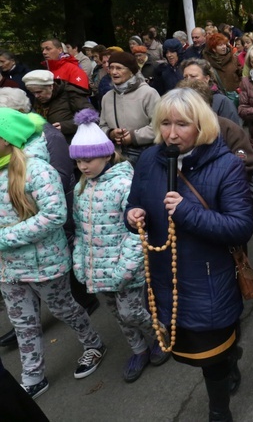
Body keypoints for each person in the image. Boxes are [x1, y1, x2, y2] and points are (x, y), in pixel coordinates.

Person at [125, 89, 253, 422]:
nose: (170, 133)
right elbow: (134, 201)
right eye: (165, 123)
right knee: (193, 350)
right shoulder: (150, 159)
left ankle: (219, 410)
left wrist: (187, 213)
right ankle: (230, 359)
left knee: (213, 359)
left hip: (209, 278)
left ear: (201, 125)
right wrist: (133, 215)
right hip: (165, 277)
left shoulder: (226, 165)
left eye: (182, 124)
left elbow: (240, 227)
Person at [0, 108, 106, 399]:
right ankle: (33, 376)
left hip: (44, 263)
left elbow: (54, 215)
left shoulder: (36, 168)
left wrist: (4, 237)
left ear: (7, 139)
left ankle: (93, 343)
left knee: (64, 309)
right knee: (22, 323)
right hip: (8, 269)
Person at [69, 109, 170, 383]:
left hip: (124, 268)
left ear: (107, 154)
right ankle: (138, 349)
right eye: (78, 162)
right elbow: (80, 229)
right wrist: (80, 262)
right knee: (117, 314)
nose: (83, 167)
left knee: (131, 311)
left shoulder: (125, 184)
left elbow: (138, 230)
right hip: (96, 270)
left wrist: (126, 267)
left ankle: (160, 335)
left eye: (88, 160)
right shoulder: (82, 189)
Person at [99, 52, 160, 165]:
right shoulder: (107, 97)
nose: (114, 72)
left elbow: (159, 125)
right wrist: (111, 133)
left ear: (131, 72)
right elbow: (102, 126)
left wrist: (133, 136)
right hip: (116, 155)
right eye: (111, 67)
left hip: (145, 154)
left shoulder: (148, 93)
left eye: (119, 68)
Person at [24, 69, 94, 143]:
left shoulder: (70, 93)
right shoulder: (39, 98)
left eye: (39, 92)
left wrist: (65, 126)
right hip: (49, 143)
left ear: (51, 86)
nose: (36, 96)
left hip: (73, 142)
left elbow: (91, 116)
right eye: (33, 93)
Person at [181, 59, 242, 126]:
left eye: (193, 76)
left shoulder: (221, 102)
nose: (188, 80)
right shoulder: (181, 101)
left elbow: (232, 131)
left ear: (207, 78)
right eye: (185, 77)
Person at [203, 33, 241, 102]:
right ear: (214, 49)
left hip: (235, 96)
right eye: (220, 45)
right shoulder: (207, 63)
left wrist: (240, 88)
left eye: (224, 44)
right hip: (218, 98)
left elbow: (241, 74)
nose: (224, 47)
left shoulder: (234, 58)